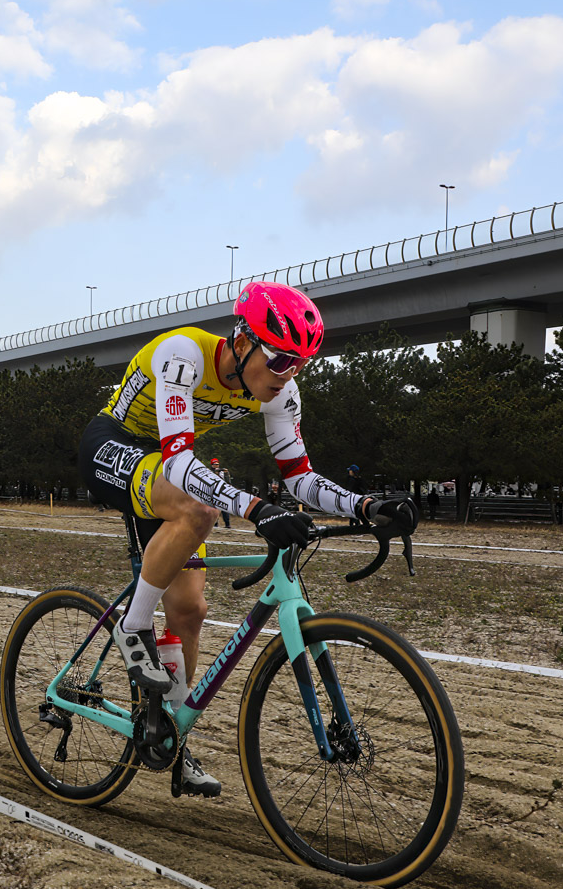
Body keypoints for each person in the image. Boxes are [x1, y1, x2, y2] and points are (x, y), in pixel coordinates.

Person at [79, 281, 417, 798]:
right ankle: (133, 624)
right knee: (199, 508)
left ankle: (169, 732)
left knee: (190, 611)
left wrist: (364, 506)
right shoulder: (182, 355)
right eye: (281, 361)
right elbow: (180, 464)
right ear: (241, 343)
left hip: (165, 469)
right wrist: (257, 508)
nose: (288, 376)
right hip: (114, 446)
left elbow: (299, 478)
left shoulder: (281, 390)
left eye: (301, 365)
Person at [209, 458, 231, 528]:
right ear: (212, 465)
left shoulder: (222, 472)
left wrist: (226, 474)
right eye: (215, 464)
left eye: (217, 464)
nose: (216, 466)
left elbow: (228, 482)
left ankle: (227, 524)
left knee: (225, 508)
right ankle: (215, 523)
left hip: (222, 491)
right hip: (213, 491)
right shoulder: (209, 472)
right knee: (214, 508)